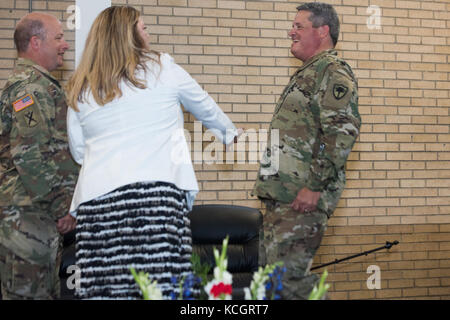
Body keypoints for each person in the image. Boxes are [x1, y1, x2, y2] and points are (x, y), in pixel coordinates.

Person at [65, 6, 240, 300]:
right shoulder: (163, 67)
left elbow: (79, 151)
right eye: (144, 28)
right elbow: (203, 104)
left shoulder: (81, 86)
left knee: (106, 291)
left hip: (99, 204)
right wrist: (230, 134)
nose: (149, 34)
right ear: (129, 36)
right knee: (162, 289)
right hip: (156, 198)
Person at [252, 2, 361, 300]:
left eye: (299, 26)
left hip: (302, 200)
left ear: (322, 31)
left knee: (290, 284)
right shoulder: (308, 73)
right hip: (284, 200)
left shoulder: (332, 71)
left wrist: (314, 187)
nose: (291, 31)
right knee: (274, 284)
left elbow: (341, 133)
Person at [0, 12, 79, 299]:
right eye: (58, 37)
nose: (65, 45)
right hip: (28, 220)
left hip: (36, 217)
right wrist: (62, 208)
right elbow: (29, 155)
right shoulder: (30, 89)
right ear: (35, 42)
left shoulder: (42, 86)